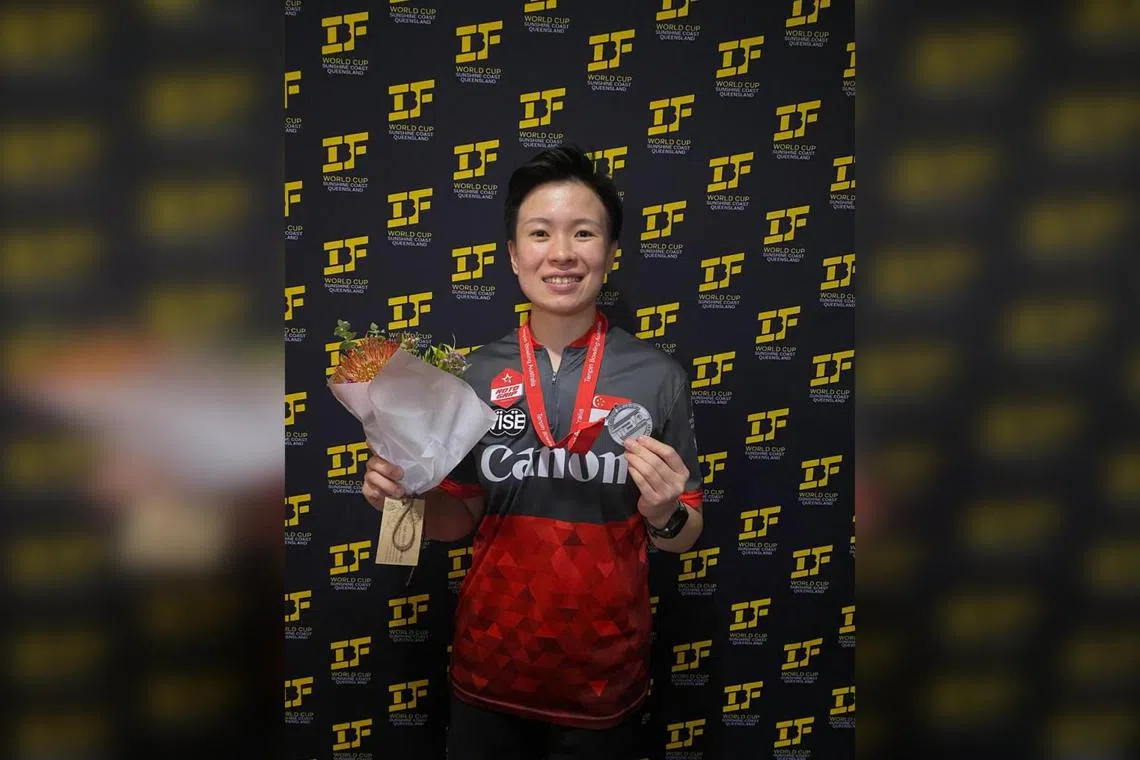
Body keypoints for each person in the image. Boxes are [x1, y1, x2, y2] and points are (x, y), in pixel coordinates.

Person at [362, 144, 704, 760]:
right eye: (540, 233)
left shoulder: (659, 378)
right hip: (489, 667)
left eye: (584, 232)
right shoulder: (470, 376)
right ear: (514, 254)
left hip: (604, 676)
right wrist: (401, 497)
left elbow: (687, 531)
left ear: (611, 252)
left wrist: (666, 514)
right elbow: (458, 521)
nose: (562, 252)